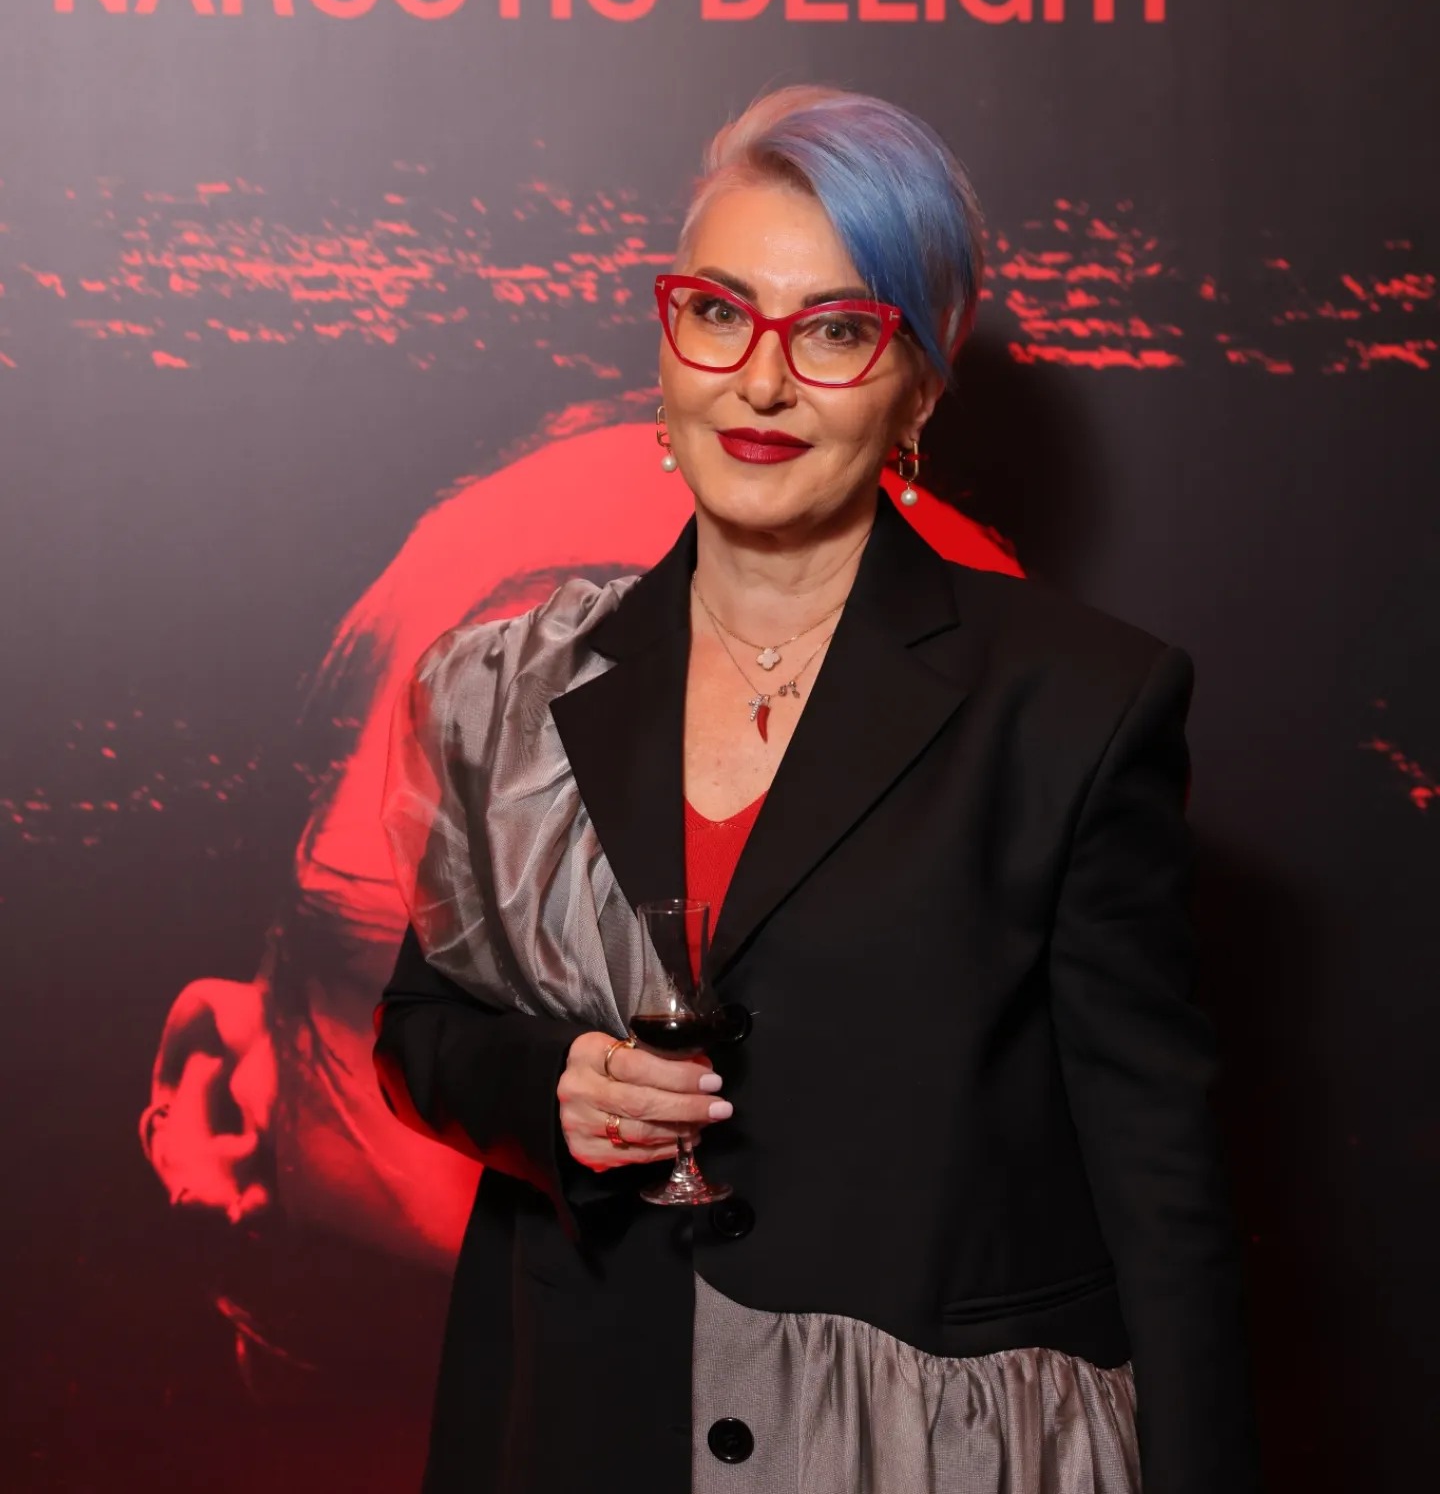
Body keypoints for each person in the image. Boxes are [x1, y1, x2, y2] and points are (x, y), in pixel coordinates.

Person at [373, 85, 1263, 1494]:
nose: (761, 382)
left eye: (836, 331)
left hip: (922, 1444)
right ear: (666, 347)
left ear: (920, 384)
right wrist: (555, 1092)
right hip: (590, 1420)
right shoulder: (517, 685)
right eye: (718, 313)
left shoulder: (1079, 701)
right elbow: (424, 1032)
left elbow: (1158, 1175)